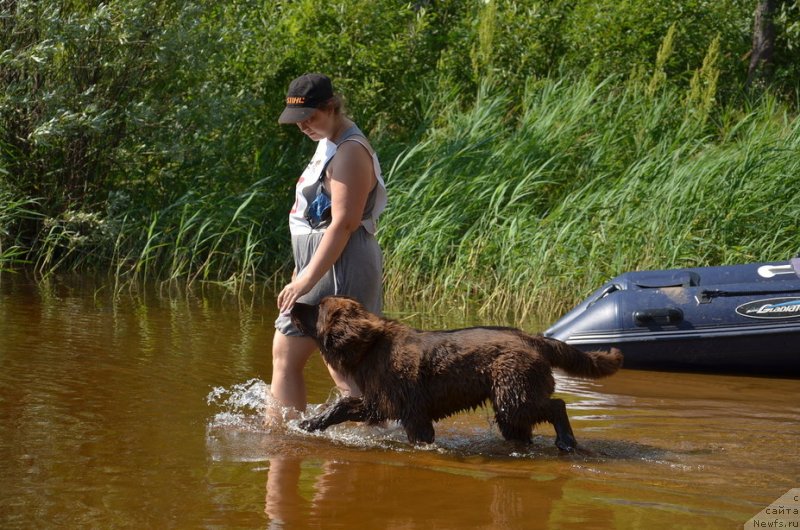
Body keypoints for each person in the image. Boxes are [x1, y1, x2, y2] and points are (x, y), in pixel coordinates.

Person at [269, 73, 387, 418]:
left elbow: (344, 224)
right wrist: (300, 271)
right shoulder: (329, 141)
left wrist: (305, 280)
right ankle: (372, 435)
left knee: (336, 365)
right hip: (323, 265)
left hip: (340, 266)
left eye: (310, 116)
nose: (302, 125)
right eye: (297, 119)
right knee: (332, 365)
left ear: (332, 107)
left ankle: (282, 439)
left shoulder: (350, 151)